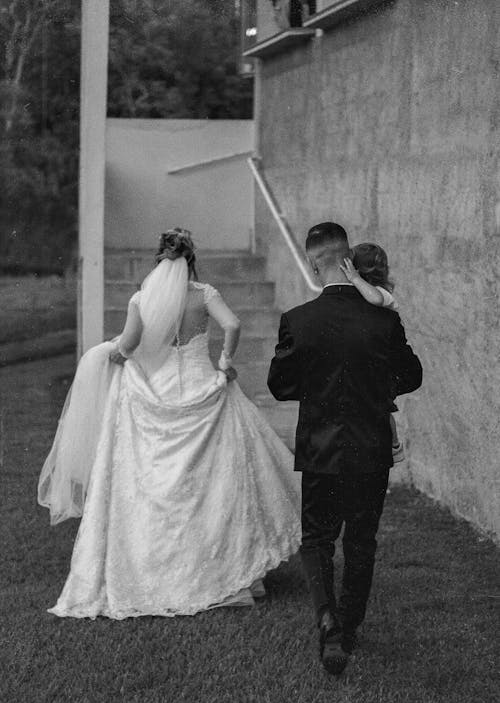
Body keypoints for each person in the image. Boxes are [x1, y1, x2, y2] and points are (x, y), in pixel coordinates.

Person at [38, 228, 301, 619]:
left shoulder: (143, 299)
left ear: (160, 261)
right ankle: (227, 570)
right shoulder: (205, 294)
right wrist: (225, 363)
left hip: (154, 393)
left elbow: (127, 346)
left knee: (149, 482)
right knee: (215, 483)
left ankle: (151, 570)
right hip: (203, 388)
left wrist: (114, 355)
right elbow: (232, 325)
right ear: (191, 260)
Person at [267, 222, 422, 675]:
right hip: (370, 448)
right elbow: (411, 376)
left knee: (317, 538)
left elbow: (280, 386)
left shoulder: (298, 320)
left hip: (319, 448)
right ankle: (349, 626)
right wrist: (374, 387)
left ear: (315, 262)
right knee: (361, 540)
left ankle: (328, 621)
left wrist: (320, 386)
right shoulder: (384, 317)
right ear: (347, 257)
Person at [340, 243, 404, 463]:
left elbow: (375, 299)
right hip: (371, 360)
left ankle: (394, 444)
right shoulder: (364, 294)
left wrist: (354, 279)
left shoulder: (382, 294)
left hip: (383, 361)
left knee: (383, 408)